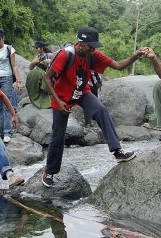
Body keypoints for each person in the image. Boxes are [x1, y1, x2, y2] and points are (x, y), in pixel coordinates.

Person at [41, 26, 147, 188]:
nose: (93, 50)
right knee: (58, 136)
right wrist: (59, 101)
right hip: (61, 98)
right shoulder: (65, 55)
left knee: (101, 111)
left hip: (82, 93)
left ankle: (117, 152)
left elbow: (118, 66)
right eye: (91, 46)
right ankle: (50, 172)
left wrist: (136, 55)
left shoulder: (92, 54)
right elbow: (47, 78)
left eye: (94, 47)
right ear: (81, 43)